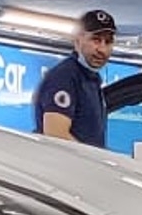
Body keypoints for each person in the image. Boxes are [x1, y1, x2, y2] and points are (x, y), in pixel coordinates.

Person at [32, 9, 119, 146]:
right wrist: (94, 161)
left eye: (108, 42)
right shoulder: (64, 78)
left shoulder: (91, 79)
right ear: (77, 40)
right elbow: (56, 135)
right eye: (95, 40)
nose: (102, 49)